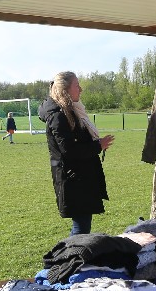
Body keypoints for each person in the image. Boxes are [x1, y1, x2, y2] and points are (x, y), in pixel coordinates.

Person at [38, 72, 114, 235]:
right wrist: (98, 146)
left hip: (80, 177)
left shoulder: (71, 110)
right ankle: (73, 252)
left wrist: (96, 144)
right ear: (65, 90)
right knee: (81, 227)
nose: (81, 89)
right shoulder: (58, 116)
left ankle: (75, 251)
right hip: (73, 179)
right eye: (77, 86)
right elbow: (69, 151)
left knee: (82, 225)